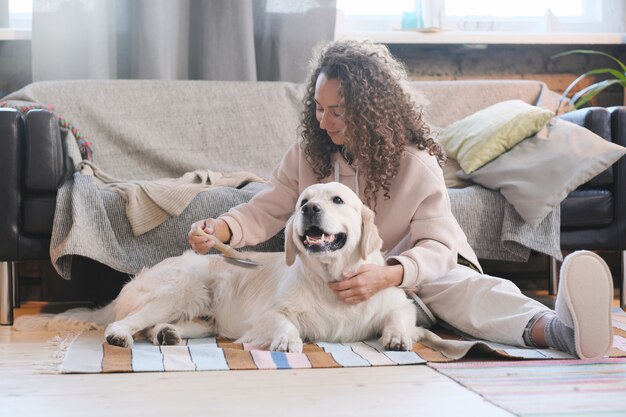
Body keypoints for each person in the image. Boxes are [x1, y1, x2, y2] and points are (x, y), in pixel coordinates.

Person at [188, 40, 614, 359]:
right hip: (340, 273)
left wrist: (391, 273)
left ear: (370, 109)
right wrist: (221, 229)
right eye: (318, 108)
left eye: (337, 110)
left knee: (466, 294)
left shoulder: (416, 164)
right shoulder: (308, 155)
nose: (324, 120)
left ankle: (561, 331)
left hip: (413, 268)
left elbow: (440, 246)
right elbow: (268, 207)